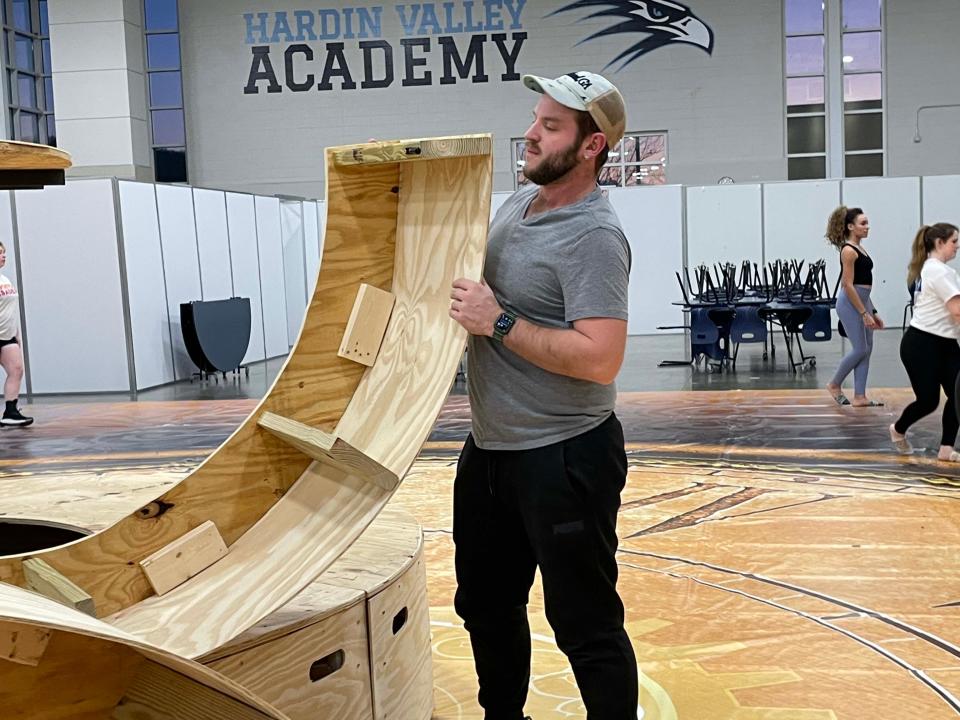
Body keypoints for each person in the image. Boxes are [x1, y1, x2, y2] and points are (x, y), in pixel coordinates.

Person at [448, 71, 637, 720]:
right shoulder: (519, 205)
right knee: (484, 604)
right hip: (491, 451)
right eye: (536, 118)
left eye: (551, 126)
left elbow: (601, 356)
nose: (530, 134)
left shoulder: (594, 235)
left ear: (591, 146)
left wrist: (497, 322)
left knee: (585, 624)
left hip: (564, 457)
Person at [890, 223, 960, 461]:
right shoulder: (937, 270)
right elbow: (957, 309)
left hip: (946, 343)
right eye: (954, 241)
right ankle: (898, 429)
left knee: (957, 394)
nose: (957, 246)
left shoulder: (934, 269)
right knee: (928, 401)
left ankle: (946, 448)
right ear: (939, 243)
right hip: (922, 345)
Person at [825, 205, 885, 407]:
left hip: (863, 300)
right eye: (863, 223)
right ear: (851, 226)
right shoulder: (848, 251)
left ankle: (860, 396)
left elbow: (864, 288)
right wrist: (863, 313)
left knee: (867, 349)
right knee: (859, 349)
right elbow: (848, 285)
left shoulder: (860, 248)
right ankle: (834, 384)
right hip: (850, 303)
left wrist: (873, 311)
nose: (868, 227)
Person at [0, 241, 32, 427]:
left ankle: (10, 411)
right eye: (0, 253)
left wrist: (17, 333)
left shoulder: (5, 280)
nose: (4, 256)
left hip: (7, 336)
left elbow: (10, 309)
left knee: (16, 370)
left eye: (4, 253)